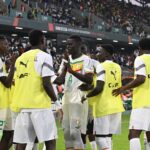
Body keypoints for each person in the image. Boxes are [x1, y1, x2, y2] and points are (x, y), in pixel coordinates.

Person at [11, 30, 59, 150]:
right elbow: (47, 83)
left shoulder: (19, 59)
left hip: (23, 106)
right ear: (42, 40)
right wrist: (57, 103)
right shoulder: (45, 56)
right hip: (40, 106)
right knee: (50, 141)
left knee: (21, 144)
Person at [82, 44, 124, 150]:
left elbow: (99, 88)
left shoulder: (101, 66)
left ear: (107, 53)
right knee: (108, 138)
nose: (97, 54)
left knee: (100, 138)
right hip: (116, 106)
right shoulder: (118, 67)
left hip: (104, 106)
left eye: (99, 52)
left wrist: (86, 96)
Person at [113, 38, 150, 150]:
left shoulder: (140, 59)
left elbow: (141, 79)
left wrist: (123, 88)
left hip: (142, 102)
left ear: (139, 48)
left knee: (133, 134)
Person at [60, 35, 93, 150]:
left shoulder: (86, 59)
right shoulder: (66, 60)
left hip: (78, 97)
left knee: (75, 131)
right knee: (67, 133)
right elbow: (60, 79)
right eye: (67, 44)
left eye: (71, 44)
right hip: (66, 97)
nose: (68, 46)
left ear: (79, 45)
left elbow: (89, 79)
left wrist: (71, 71)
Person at [0, 35, 16, 150]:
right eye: (5, 44)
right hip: (1, 104)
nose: (7, 46)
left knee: (10, 133)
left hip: (7, 103)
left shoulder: (3, 60)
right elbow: (7, 83)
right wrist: (13, 66)